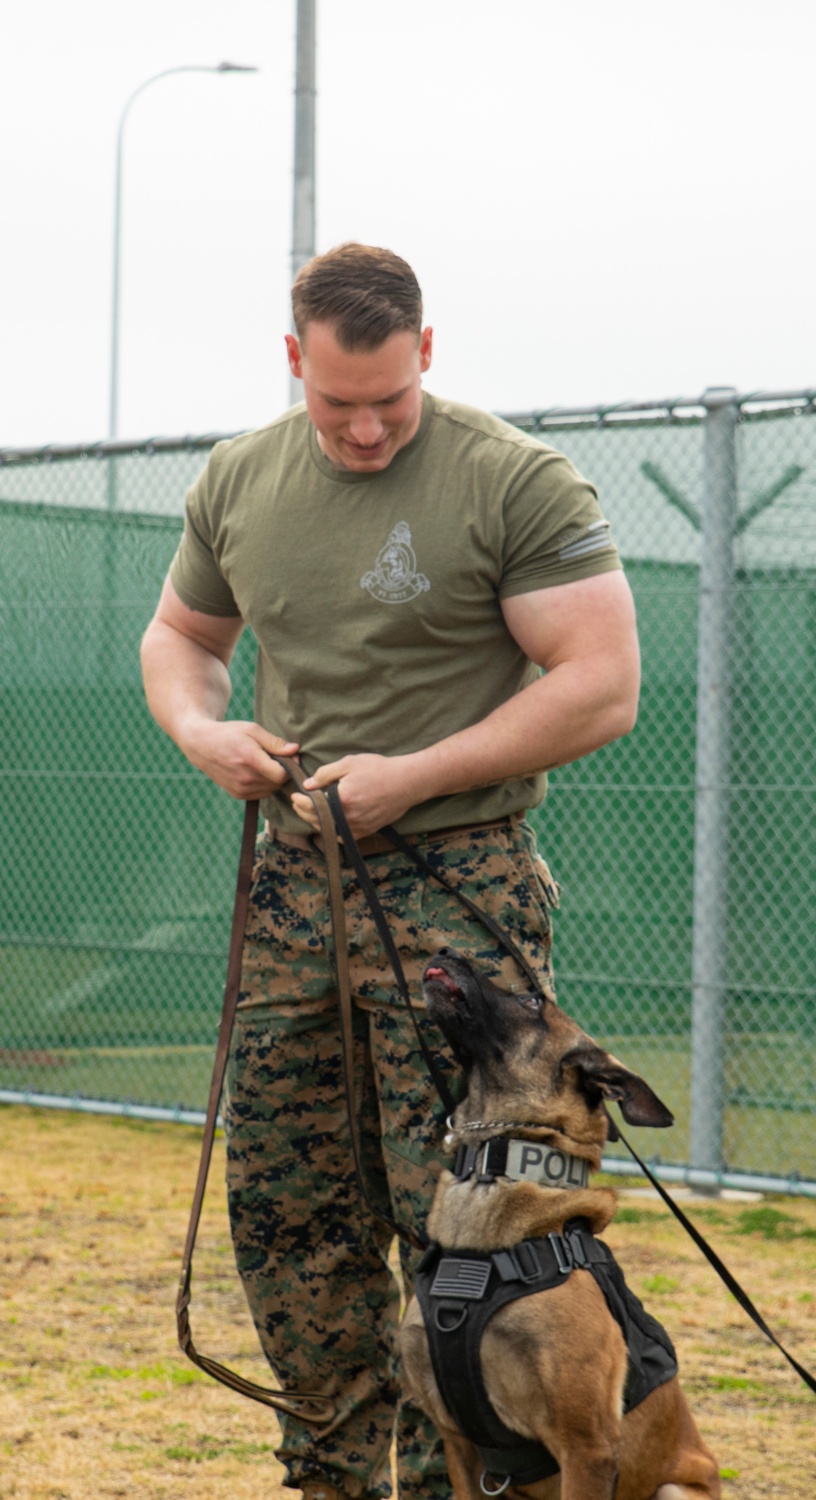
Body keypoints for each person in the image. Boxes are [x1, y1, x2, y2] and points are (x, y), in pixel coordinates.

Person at [140, 242, 641, 1500]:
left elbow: (601, 684)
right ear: (293, 361)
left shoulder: (510, 479)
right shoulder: (239, 478)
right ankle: (330, 1472)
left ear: (428, 353)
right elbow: (182, 638)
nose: (365, 430)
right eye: (336, 403)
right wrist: (206, 732)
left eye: (391, 402)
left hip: (454, 885)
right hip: (295, 893)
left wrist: (413, 773)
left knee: (464, 1220)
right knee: (289, 1205)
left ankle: (458, 1481)